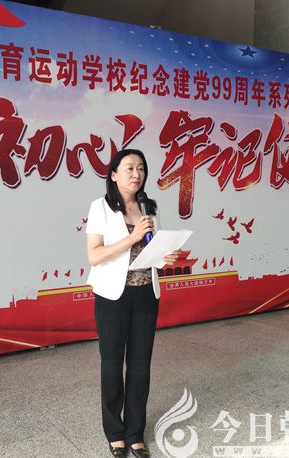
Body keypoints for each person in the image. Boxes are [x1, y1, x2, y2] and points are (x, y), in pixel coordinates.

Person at [86, 149, 179, 458]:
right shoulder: (100, 207)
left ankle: (135, 433)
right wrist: (132, 236)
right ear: (114, 175)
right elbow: (94, 255)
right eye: (129, 168)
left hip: (145, 295)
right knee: (112, 364)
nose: (136, 173)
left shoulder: (149, 207)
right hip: (112, 297)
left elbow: (153, 251)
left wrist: (167, 258)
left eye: (141, 168)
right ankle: (115, 433)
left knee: (140, 365)